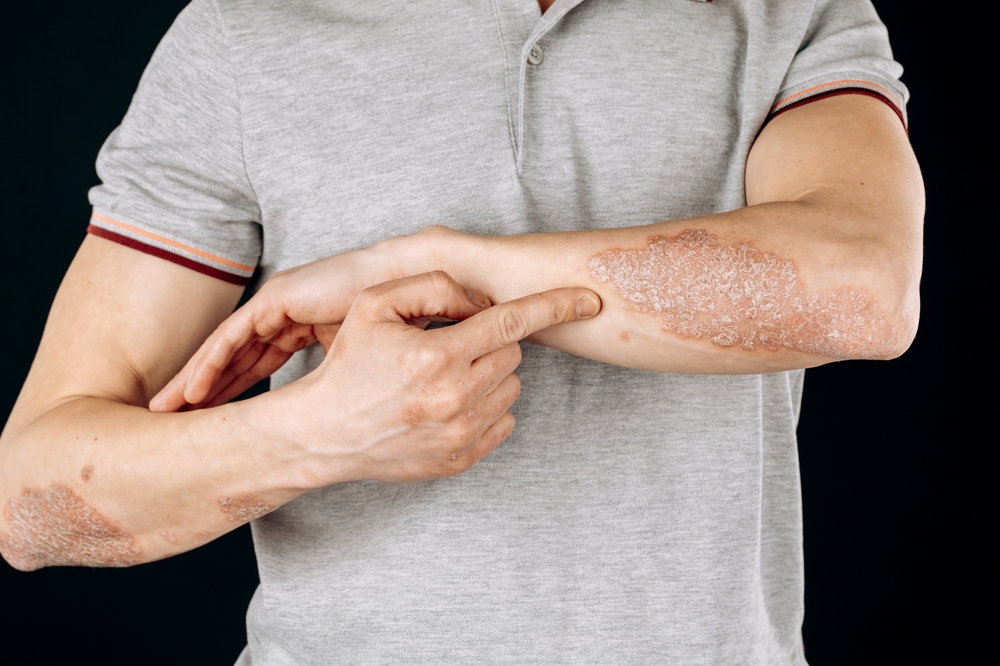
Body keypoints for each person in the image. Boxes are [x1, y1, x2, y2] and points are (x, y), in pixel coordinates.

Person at [0, 0, 922, 663]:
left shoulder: (789, 11)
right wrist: (320, 434)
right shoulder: (243, 33)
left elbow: (864, 290)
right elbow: (29, 503)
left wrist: (451, 265)